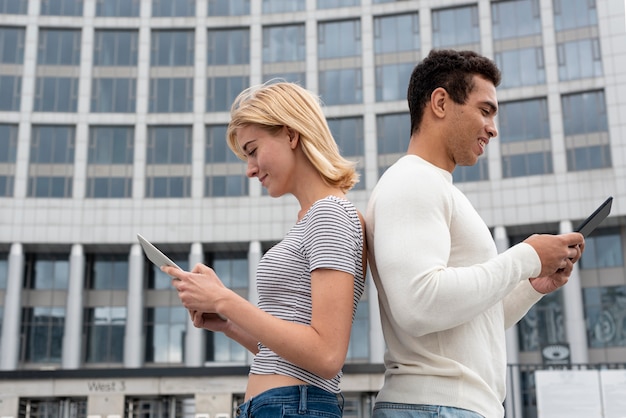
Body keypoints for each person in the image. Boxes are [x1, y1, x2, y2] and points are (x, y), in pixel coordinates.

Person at [365, 49, 585, 418]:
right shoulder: (412, 180)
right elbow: (419, 305)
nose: (493, 128)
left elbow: (469, 320)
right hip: (434, 406)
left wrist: (531, 286)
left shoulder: (437, 187)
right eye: (485, 110)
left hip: (450, 407)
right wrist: (526, 257)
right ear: (440, 102)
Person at [163, 81, 367, 418]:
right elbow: (291, 355)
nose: (250, 169)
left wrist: (223, 299)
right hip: (281, 406)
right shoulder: (311, 218)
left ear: (290, 135)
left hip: (293, 407)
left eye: (253, 150)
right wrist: (229, 323)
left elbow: (327, 355)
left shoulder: (329, 213)